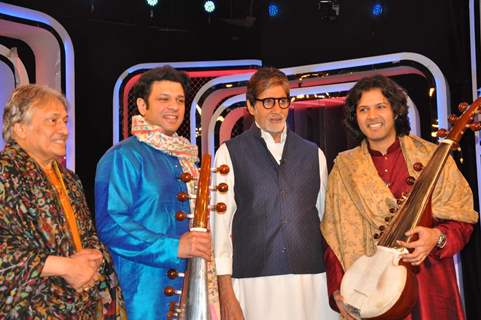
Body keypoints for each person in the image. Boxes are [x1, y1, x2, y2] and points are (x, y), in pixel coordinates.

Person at [321, 75, 479, 319]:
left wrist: (437, 237)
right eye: (363, 109)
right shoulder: (344, 168)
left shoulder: (431, 157)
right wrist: (337, 292)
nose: (372, 116)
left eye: (380, 107)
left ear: (395, 111)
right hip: (371, 290)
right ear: (356, 117)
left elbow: (463, 221)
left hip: (428, 283)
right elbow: (334, 239)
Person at [213, 67, 338, 320]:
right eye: (267, 101)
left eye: (282, 101)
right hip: (254, 284)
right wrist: (226, 294)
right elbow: (220, 229)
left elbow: (328, 224)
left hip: (311, 283)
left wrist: (337, 283)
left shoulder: (314, 154)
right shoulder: (229, 153)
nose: (276, 110)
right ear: (250, 106)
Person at [95, 66, 218, 319]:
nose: (174, 106)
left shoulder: (187, 158)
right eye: (164, 99)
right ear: (142, 105)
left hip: (189, 289)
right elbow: (112, 224)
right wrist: (173, 247)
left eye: (180, 100)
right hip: (141, 294)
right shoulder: (123, 156)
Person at [0, 84, 124, 319]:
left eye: (65, 121)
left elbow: (88, 235)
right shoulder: (5, 173)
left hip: (78, 305)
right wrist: (66, 267)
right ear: (19, 128)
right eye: (53, 120)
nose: (64, 130)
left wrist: (92, 261)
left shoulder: (68, 178)